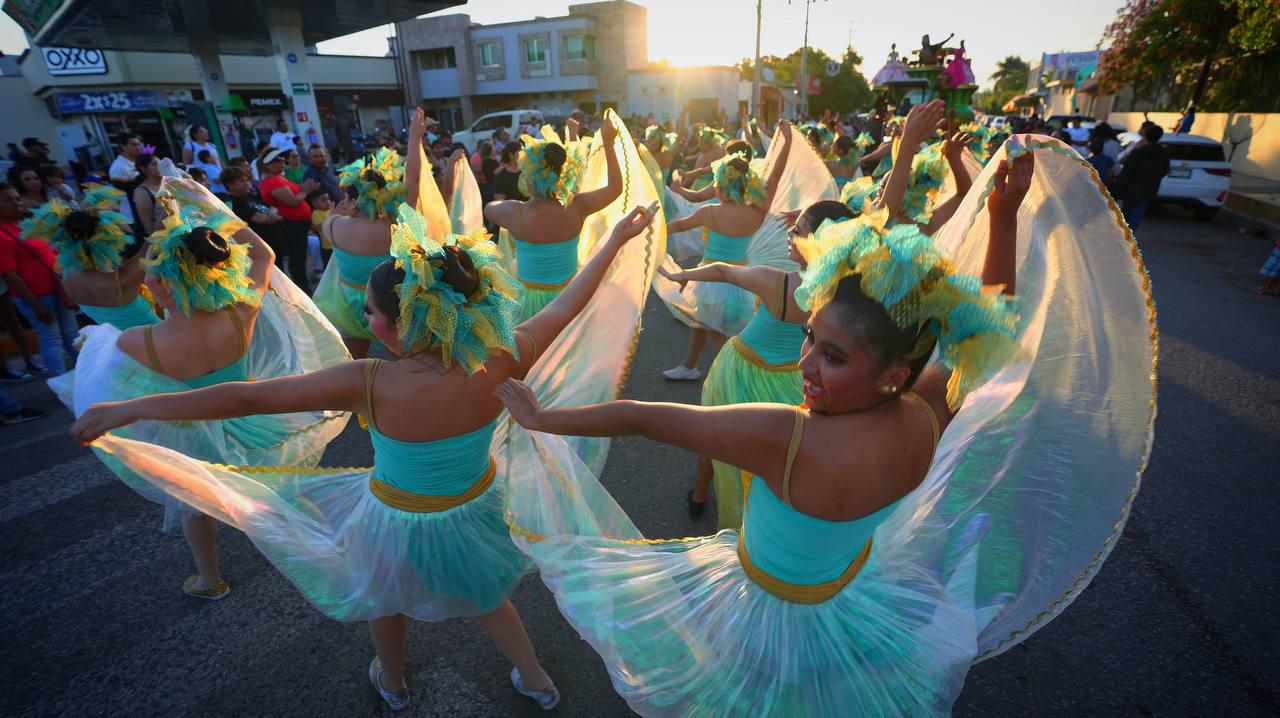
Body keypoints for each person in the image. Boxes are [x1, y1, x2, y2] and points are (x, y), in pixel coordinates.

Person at [493, 139, 1157, 715]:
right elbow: (982, 325)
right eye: (811, 338)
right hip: (853, 607)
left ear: (893, 371)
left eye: (832, 357)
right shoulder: (929, 414)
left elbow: (644, 417)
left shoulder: (787, 436)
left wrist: (545, 415)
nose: (806, 362)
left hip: (760, 619)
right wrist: (1004, 223)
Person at [70, 201, 660, 713]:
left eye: (374, 314)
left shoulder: (369, 379)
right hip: (476, 508)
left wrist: (128, 409)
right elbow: (568, 305)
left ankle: (395, 682)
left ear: (402, 324)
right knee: (488, 596)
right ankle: (538, 680)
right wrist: (614, 239)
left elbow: (247, 396)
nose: (367, 320)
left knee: (385, 596)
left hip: (393, 519)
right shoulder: (504, 356)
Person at [58, 178, 350, 603]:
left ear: (166, 286)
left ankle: (209, 578)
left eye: (153, 275)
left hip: (195, 433)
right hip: (252, 420)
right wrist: (208, 205)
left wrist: (92, 346)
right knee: (284, 488)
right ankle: (329, 548)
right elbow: (264, 254)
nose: (148, 281)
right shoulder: (242, 310)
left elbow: (103, 363)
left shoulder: (137, 340)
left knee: (194, 503)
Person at [662, 200, 850, 528]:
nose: (791, 235)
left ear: (819, 241)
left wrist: (683, 274)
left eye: (799, 231)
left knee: (712, 434)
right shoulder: (843, 292)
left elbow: (722, 271)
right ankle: (756, 519)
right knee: (769, 456)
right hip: (791, 381)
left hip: (740, 370)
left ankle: (700, 496)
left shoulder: (777, 280)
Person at [658, 123, 793, 381]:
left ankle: (733, 376)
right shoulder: (757, 211)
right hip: (742, 282)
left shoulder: (710, 212)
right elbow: (775, 176)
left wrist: (653, 230)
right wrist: (786, 142)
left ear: (719, 186)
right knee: (702, 322)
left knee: (716, 333)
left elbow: (678, 225)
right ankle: (689, 365)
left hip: (712, 281)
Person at [483, 117, 622, 322]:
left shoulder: (515, 212)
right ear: (561, 176)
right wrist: (608, 143)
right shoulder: (578, 206)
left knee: (536, 353)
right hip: (573, 297)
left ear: (530, 179)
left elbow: (488, 209)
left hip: (529, 305)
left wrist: (516, 203)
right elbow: (615, 188)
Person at [23, 185, 159, 329]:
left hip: (118, 348)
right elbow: (157, 239)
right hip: (157, 347)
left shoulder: (68, 278)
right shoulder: (120, 281)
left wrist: (84, 218)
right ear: (106, 240)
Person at [312, 146, 403, 359]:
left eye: (346, 197)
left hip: (349, 305)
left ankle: (358, 387)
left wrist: (335, 214)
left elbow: (327, 224)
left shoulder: (334, 225)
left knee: (354, 358)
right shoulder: (395, 227)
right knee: (399, 356)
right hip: (386, 299)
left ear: (354, 200)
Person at [0, 183, 79, 375]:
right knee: (51, 338)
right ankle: (61, 385)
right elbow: (10, 275)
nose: (16, 203)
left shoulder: (28, 222)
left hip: (57, 288)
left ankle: (87, 376)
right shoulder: (2, 234)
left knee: (72, 335)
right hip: (37, 296)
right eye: (8, 200)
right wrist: (36, 305)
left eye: (17, 198)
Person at [259, 147, 319, 291]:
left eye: (282, 159)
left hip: (298, 224)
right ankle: (303, 289)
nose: (282, 162)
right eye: (277, 160)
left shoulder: (279, 178)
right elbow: (292, 201)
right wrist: (305, 190)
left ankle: (303, 287)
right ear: (268, 165)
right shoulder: (272, 181)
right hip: (293, 225)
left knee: (299, 258)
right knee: (297, 260)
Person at [1112, 123, 1170, 231]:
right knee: (1135, 218)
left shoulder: (1138, 152)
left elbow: (1127, 172)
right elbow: (1164, 171)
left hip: (1130, 190)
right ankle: (1130, 238)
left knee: (1126, 217)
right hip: (1148, 190)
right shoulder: (1163, 154)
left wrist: (1117, 190)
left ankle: (1124, 238)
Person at [109, 133, 143, 229]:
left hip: (142, 211)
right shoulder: (119, 168)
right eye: (133, 145)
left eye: (138, 144)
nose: (138, 147)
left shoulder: (136, 161)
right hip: (132, 216)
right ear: (122, 146)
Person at [131, 153, 166, 236]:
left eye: (160, 162)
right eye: (154, 164)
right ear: (144, 169)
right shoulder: (142, 192)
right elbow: (149, 228)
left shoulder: (168, 183)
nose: (160, 166)